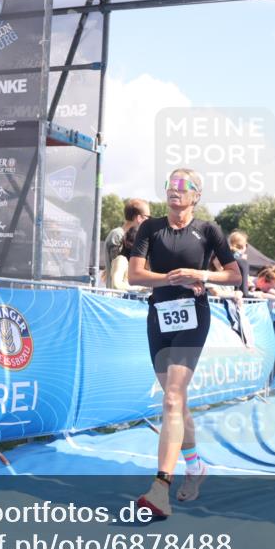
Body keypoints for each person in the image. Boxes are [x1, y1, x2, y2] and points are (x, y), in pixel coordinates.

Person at [128, 168, 241, 517]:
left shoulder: (208, 230)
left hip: (194, 316)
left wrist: (201, 274)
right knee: (175, 401)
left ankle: (160, 487)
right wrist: (171, 278)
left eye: (183, 185)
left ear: (196, 195)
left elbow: (235, 275)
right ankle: (195, 466)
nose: (175, 190)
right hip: (159, 317)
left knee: (173, 398)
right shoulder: (150, 228)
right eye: (170, 184)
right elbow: (134, 275)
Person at [105, 198, 150, 288]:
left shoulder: (128, 235)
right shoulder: (118, 235)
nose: (149, 221)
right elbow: (117, 266)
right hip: (118, 293)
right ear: (139, 218)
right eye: (148, 217)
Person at [110, 226, 143, 291]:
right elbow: (116, 285)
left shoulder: (139, 263)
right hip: (121, 297)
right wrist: (140, 288)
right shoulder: (121, 260)